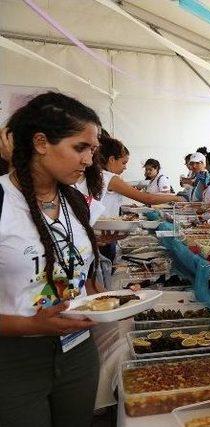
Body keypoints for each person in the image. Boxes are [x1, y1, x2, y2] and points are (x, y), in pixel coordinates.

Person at [0, 92, 104, 426]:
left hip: (79, 351)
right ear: (41, 142)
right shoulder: (4, 201)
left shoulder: (76, 201)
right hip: (15, 357)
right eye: (80, 147)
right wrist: (33, 325)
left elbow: (79, 269)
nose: (88, 159)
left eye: (92, 149)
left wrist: (106, 299)